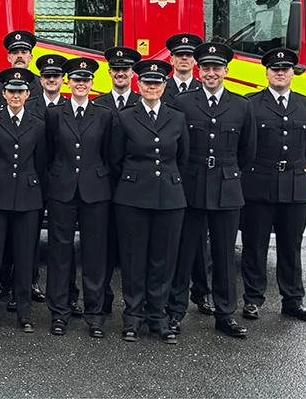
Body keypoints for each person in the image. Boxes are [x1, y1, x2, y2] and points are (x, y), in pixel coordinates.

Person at [167, 43, 256, 338]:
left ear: (226, 71)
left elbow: (247, 151)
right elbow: (176, 147)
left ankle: (225, 314)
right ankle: (175, 311)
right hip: (191, 186)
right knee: (184, 252)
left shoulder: (242, 105)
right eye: (205, 68)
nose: (210, 73)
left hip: (226, 188)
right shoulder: (183, 102)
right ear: (198, 70)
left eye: (216, 68)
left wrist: (227, 171)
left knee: (223, 254)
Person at [109, 59, 188, 343]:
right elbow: (115, 159)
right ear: (138, 85)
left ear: (165, 86)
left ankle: (157, 316)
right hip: (133, 197)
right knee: (132, 259)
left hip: (169, 197)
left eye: (157, 83)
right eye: (146, 83)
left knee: (163, 260)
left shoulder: (177, 117)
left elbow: (183, 158)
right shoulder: (125, 117)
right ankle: (132, 317)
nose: (152, 87)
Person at [240, 48, 306, 322]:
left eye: (285, 69)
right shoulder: (250, 104)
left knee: (291, 246)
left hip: (294, 187)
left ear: (292, 74)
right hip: (258, 185)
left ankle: (293, 300)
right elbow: (244, 145)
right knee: (254, 246)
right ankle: (252, 299)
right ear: (267, 73)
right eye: (275, 69)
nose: (280, 73)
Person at [44, 57, 114, 338]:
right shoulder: (54, 114)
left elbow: (110, 154)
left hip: (95, 191)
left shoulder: (105, 114)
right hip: (62, 189)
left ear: (92, 84)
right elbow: (48, 153)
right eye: (75, 79)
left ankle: (95, 314)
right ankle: (59, 312)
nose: (80, 84)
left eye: (85, 80)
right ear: (67, 82)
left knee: (95, 253)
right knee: (59, 252)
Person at [0, 68, 46, 333]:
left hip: (27, 197)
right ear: (4, 94)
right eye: (11, 91)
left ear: (28, 94)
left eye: (20, 91)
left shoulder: (38, 123)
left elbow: (40, 162)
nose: (16, 96)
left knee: (25, 255)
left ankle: (24, 312)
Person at [162, 32, 214, 316]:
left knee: (200, 241)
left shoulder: (202, 89)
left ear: (195, 62)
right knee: (174, 241)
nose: (184, 59)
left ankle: (202, 293)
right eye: (179, 55)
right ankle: (172, 294)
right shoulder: (159, 85)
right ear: (171, 60)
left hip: (197, 176)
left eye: (189, 56)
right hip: (170, 177)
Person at [93, 46, 141, 314]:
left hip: (133, 188)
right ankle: (103, 300)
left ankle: (135, 305)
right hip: (103, 186)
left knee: (132, 249)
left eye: (125, 70)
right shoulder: (98, 105)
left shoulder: (142, 102)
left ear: (132, 73)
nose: (120, 73)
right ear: (109, 72)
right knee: (104, 248)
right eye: (116, 70)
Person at [28, 53, 78, 309]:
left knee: (62, 241)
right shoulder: (29, 104)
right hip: (33, 180)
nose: (51, 80)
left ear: (63, 80)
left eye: (56, 76)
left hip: (63, 183)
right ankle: (27, 285)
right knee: (28, 237)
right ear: (41, 78)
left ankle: (68, 293)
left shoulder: (72, 107)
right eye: (46, 76)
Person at [0, 30, 42, 105]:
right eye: (15, 53)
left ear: (30, 57)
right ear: (9, 57)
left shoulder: (41, 85)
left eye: (24, 52)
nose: (19, 56)